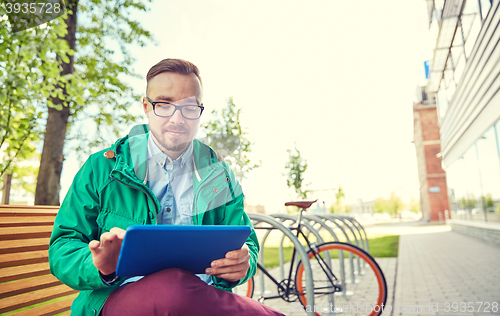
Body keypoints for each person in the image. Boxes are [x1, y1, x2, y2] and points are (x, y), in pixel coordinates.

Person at [49, 58, 284, 316]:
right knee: (173, 286)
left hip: (201, 302)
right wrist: (99, 266)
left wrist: (243, 263)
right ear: (146, 107)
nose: (177, 118)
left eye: (190, 107)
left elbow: (245, 241)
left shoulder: (220, 174)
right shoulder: (101, 168)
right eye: (164, 104)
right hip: (119, 299)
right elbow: (63, 247)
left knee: (179, 289)